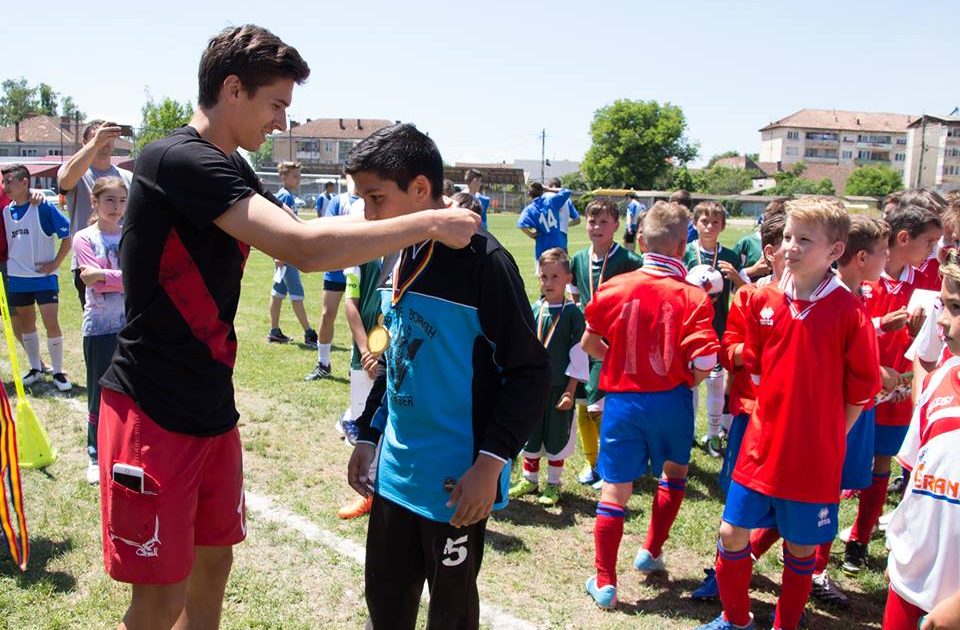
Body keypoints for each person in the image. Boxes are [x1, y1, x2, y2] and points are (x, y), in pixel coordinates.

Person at [95, 25, 479, 630]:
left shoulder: (233, 168)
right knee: (161, 597)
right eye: (276, 104)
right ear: (232, 89)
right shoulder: (175, 158)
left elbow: (316, 233)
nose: (281, 122)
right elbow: (301, 247)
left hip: (210, 404)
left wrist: (401, 211)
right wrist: (427, 222)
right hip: (152, 406)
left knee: (213, 565)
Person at [342, 123, 550, 630]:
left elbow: (530, 372)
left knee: (451, 616)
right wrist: (369, 434)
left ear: (419, 190)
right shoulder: (404, 250)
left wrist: (490, 463)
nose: (368, 215)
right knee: (385, 608)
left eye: (376, 198)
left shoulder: (485, 262)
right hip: (394, 472)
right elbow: (398, 354)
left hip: (456, 483)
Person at [698, 197, 881, 630]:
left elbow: (862, 389)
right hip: (760, 445)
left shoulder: (850, 312)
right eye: (786, 237)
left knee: (800, 549)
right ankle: (736, 620)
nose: (791, 247)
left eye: (804, 239)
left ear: (835, 251)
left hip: (813, 456)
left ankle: (785, 624)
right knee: (730, 534)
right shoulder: (768, 301)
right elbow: (757, 365)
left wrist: (833, 434)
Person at [582, 200, 719, 609]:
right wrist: (682, 379)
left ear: (640, 240)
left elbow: (590, 342)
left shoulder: (614, 286)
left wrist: (626, 358)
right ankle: (651, 550)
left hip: (624, 400)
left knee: (615, 487)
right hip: (673, 400)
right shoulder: (694, 296)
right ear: (683, 248)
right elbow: (707, 362)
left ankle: (605, 581)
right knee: (674, 473)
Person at [692, 206, 788, 603]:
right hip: (752, 415)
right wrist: (758, 353)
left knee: (791, 504)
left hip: (798, 421)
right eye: (791, 241)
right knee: (738, 502)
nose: (799, 249)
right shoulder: (751, 297)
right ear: (770, 252)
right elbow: (728, 347)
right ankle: (724, 570)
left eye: (807, 240)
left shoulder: (827, 300)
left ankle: (781, 579)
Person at [843, 203, 941, 576]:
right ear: (903, 239)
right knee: (844, 461)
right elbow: (845, 326)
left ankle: (860, 539)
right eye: (928, 242)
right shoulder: (864, 275)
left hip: (899, 389)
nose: (933, 250)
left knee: (883, 462)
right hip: (858, 388)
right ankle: (810, 541)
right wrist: (881, 327)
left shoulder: (927, 279)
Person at [882, 248, 960, 629]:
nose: (941, 321)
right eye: (942, 305)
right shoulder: (940, 381)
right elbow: (917, 478)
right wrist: (901, 550)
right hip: (910, 584)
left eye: (955, 307)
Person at [568, 199, 642, 488]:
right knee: (584, 406)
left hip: (612, 344)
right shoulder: (578, 259)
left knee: (603, 407)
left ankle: (614, 465)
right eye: (591, 221)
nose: (596, 227)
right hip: (585, 341)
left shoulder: (630, 261)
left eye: (603, 222)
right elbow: (575, 295)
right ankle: (593, 464)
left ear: (616, 225)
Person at [509, 247, 587, 507]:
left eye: (555, 277)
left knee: (556, 436)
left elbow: (578, 354)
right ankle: (529, 479)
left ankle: (553, 484)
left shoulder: (574, 314)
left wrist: (570, 390)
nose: (549, 283)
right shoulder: (533, 309)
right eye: (544, 277)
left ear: (568, 278)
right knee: (531, 433)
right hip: (533, 388)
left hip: (559, 389)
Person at [74, 176, 127, 484]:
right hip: (99, 328)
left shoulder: (129, 236)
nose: (116, 207)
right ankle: (94, 453)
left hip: (129, 327)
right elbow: (91, 279)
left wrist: (105, 275)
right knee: (98, 392)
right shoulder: (84, 238)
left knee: (128, 393)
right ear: (94, 202)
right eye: (109, 200)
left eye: (121, 201)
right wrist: (119, 276)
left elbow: (141, 278)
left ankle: (120, 448)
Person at [0, 164, 72, 391]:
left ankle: (58, 372)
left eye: (9, 182)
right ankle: (35, 368)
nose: (6, 186)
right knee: (25, 320)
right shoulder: (6, 211)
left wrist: (56, 263)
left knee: (48, 320)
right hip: (17, 276)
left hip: (39, 276)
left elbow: (66, 234)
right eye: (5, 183)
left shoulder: (38, 205)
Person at [683, 201, 746, 458]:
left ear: (723, 226)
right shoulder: (684, 252)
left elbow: (743, 293)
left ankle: (713, 435)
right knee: (690, 382)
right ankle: (687, 433)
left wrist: (737, 277)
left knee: (715, 380)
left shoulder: (729, 256)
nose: (710, 226)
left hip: (719, 326)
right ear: (695, 224)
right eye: (704, 221)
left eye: (716, 222)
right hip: (689, 328)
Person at [57, 120, 133, 308]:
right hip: (88, 261)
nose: (104, 140)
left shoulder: (127, 177)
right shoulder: (74, 170)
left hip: (123, 259)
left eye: (108, 136)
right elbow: (65, 182)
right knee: (97, 318)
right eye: (96, 135)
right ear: (85, 143)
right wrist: (95, 143)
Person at [305, 179, 361, 381]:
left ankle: (356, 365)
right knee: (328, 314)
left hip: (359, 271)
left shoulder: (371, 201)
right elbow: (328, 233)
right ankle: (323, 363)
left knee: (359, 318)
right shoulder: (339, 201)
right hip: (336, 270)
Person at [266, 161, 318, 346]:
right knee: (297, 293)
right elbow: (279, 227)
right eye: (295, 176)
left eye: (299, 175)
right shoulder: (284, 197)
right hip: (286, 255)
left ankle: (274, 331)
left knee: (278, 292)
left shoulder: (287, 195)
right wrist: (279, 254)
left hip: (284, 254)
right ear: (283, 178)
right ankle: (309, 332)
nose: (298, 179)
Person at [516, 182, 574, 272]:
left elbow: (521, 224)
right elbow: (567, 191)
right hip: (557, 244)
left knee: (543, 275)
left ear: (529, 194)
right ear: (542, 191)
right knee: (558, 273)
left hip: (542, 246)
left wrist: (531, 234)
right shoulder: (551, 201)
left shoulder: (530, 209)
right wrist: (548, 188)